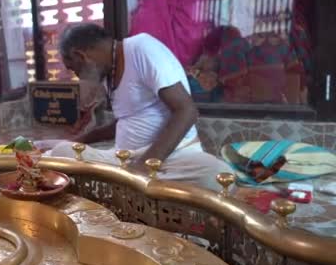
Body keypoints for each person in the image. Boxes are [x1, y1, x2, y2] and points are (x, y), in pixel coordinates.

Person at [44, 23, 232, 191]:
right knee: (62, 153)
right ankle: (138, 189)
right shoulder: (108, 73)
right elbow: (124, 121)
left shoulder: (141, 48)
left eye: (74, 69)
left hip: (172, 159)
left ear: (81, 56)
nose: (78, 76)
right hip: (125, 161)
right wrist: (80, 140)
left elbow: (187, 111)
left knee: (217, 175)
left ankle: (131, 187)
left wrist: (143, 168)